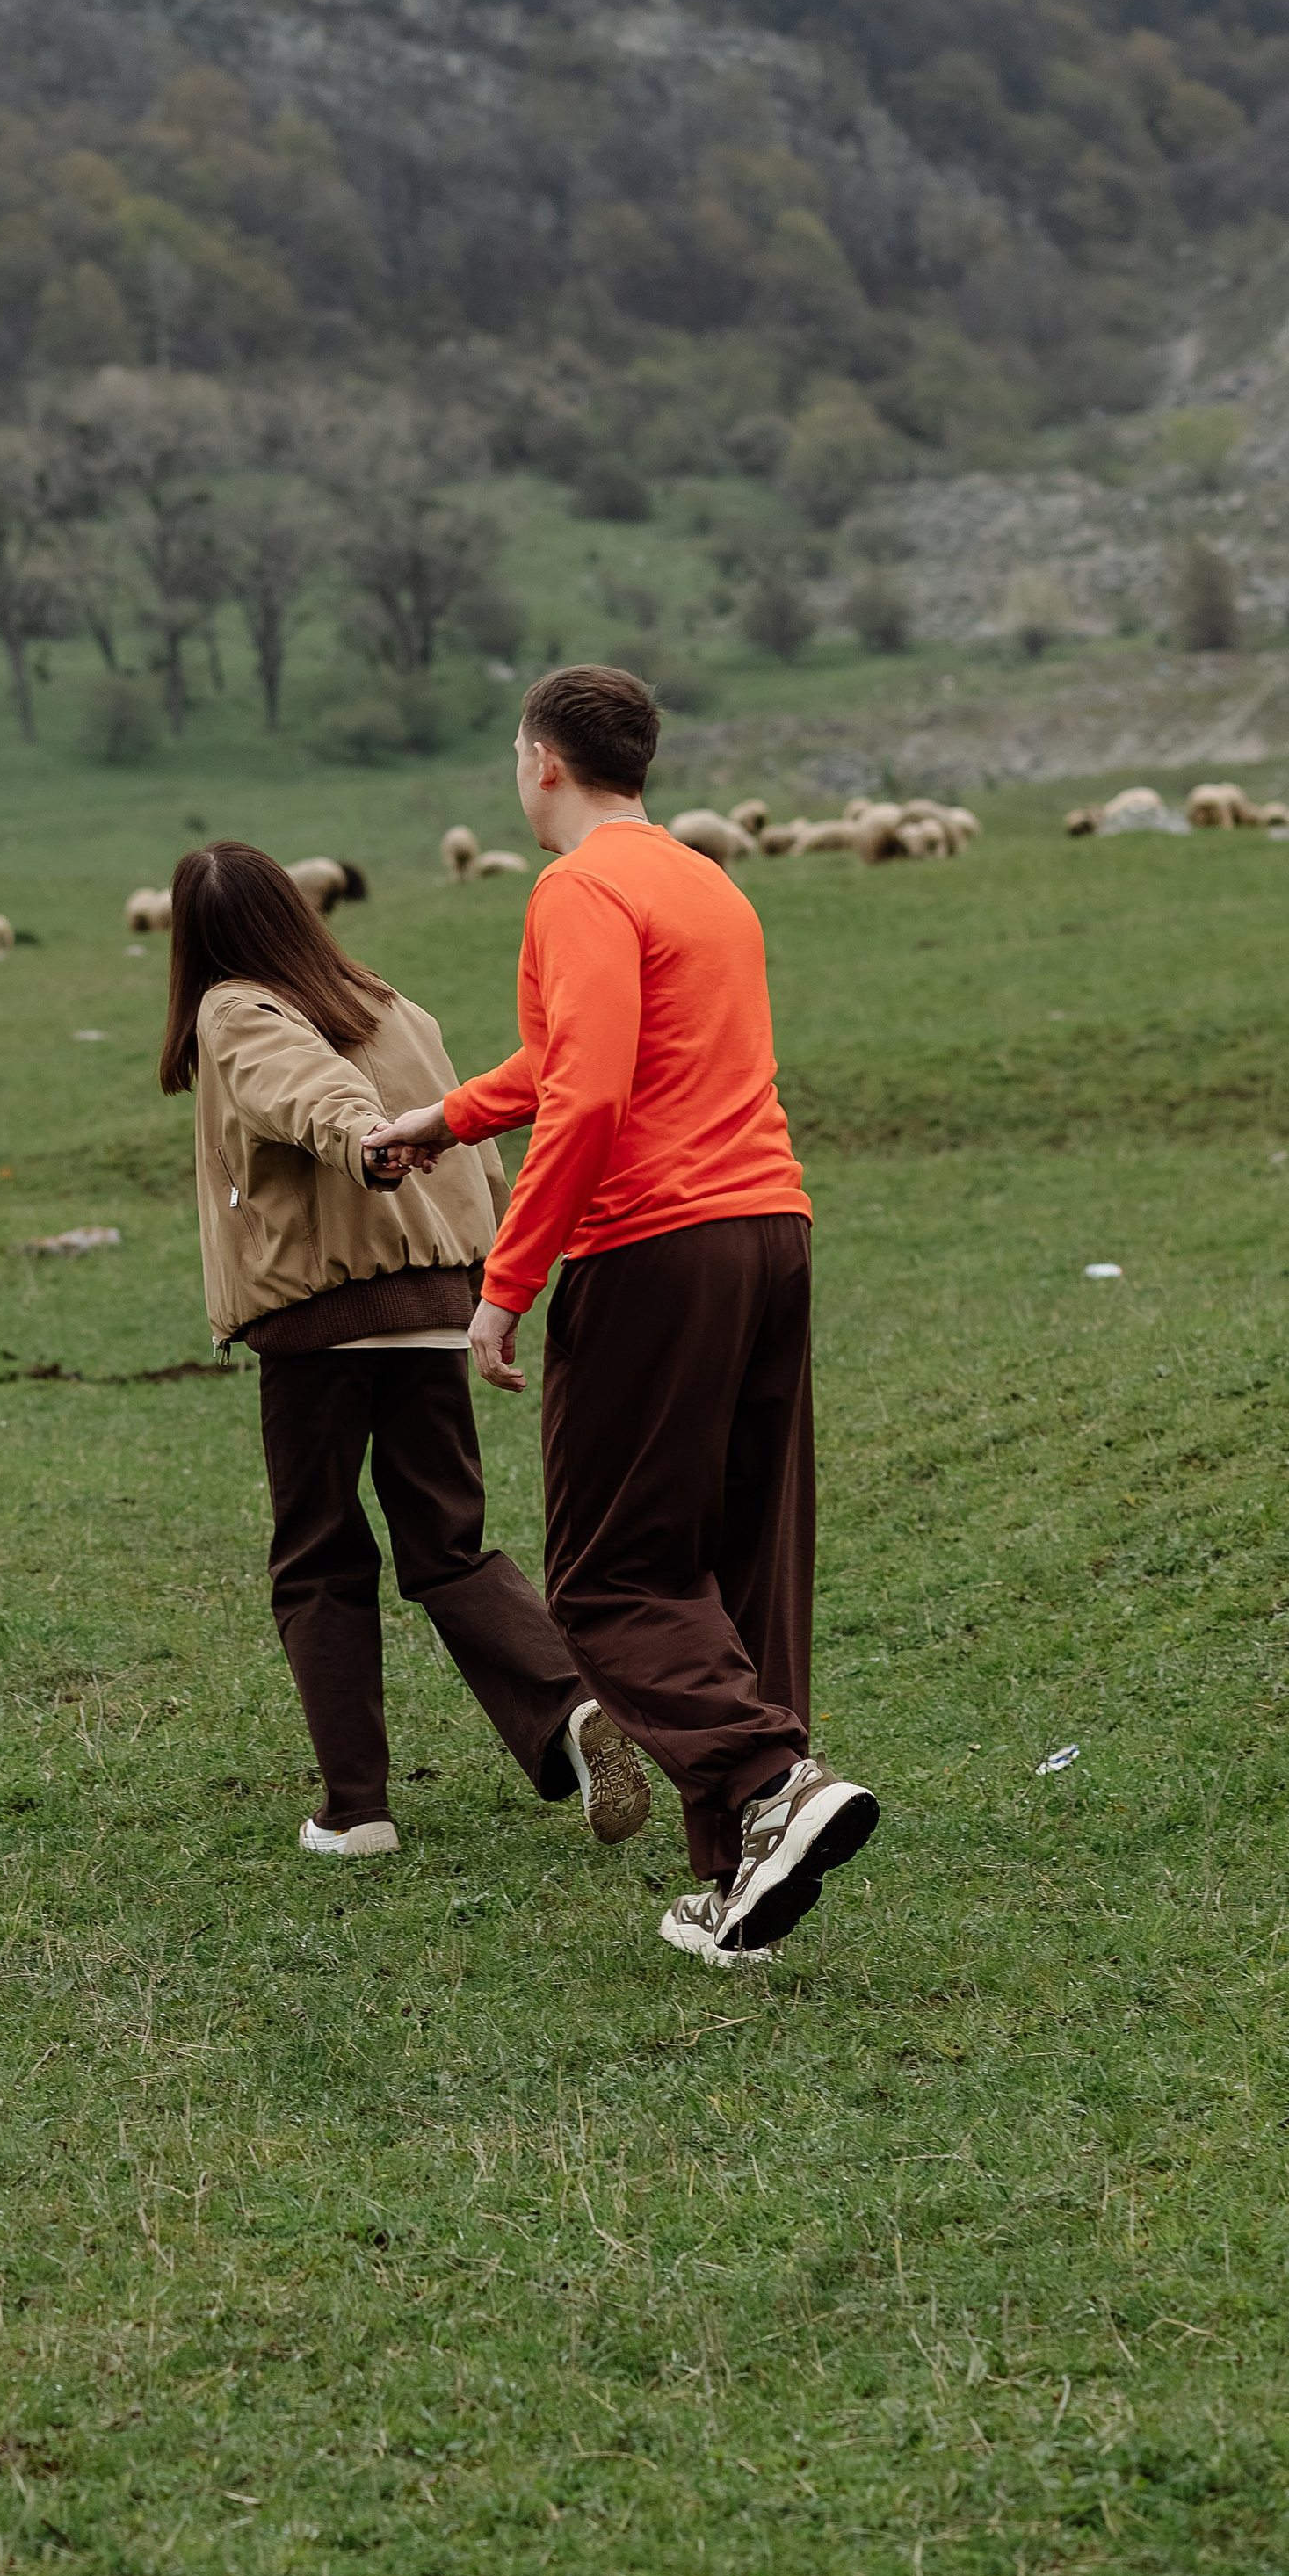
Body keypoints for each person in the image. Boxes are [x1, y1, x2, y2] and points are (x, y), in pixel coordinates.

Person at [372, 666, 879, 1959]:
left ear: (540, 759)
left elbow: (591, 1096)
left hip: (653, 1247)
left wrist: (505, 1283)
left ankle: (772, 1780)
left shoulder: (574, 886)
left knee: (605, 1580)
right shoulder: (705, 878)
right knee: (739, 1559)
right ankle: (743, 1879)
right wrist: (448, 1116)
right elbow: (563, 1063)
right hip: (771, 1229)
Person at [161, 838, 649, 1863]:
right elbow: (472, 1125)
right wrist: (509, 1257)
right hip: (435, 1301)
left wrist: (361, 1140)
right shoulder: (387, 1002)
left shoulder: (234, 1009)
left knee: (318, 1556)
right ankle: (569, 1705)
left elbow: (302, 1090)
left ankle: (356, 1810)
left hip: (323, 1316)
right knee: (447, 1545)